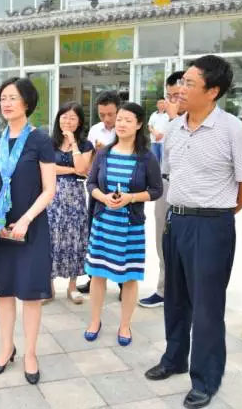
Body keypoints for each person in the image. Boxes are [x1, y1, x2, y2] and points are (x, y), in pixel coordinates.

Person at [144, 56, 242, 409]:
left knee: (207, 307)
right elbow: (172, 173)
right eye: (182, 83)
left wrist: (220, 213)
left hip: (211, 226)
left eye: (190, 83)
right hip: (175, 222)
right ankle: (174, 358)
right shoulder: (174, 129)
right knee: (175, 298)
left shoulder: (233, 130)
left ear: (213, 91)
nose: (180, 89)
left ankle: (206, 379)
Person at [0, 77, 56, 385]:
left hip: (31, 228)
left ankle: (30, 354)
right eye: (2, 98)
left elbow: (49, 189)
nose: (6, 103)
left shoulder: (40, 140)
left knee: (31, 294)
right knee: (6, 291)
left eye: (12, 97)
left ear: (27, 102)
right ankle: (6, 348)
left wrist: (25, 220)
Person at [83, 102, 162, 347]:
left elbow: (156, 190)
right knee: (97, 275)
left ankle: (125, 325)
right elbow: (90, 184)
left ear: (139, 125)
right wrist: (103, 197)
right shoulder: (103, 153)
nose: (122, 124)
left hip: (130, 227)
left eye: (128, 120)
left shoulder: (146, 157)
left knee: (129, 277)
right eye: (119, 119)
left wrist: (131, 198)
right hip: (103, 224)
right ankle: (95, 321)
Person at [139, 70, 186, 308]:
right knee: (162, 240)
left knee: (186, 243)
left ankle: (186, 292)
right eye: (170, 96)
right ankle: (163, 289)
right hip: (165, 185)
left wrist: (175, 119)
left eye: (177, 95)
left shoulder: (189, 123)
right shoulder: (169, 122)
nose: (173, 101)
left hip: (189, 190)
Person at [44, 102, 93, 305]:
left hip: (75, 198)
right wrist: (72, 170)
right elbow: (47, 169)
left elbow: (83, 168)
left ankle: (72, 286)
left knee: (74, 239)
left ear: (79, 122)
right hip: (51, 196)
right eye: (64, 117)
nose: (68, 121)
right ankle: (48, 287)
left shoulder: (85, 145)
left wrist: (73, 143)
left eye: (73, 118)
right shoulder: (49, 143)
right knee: (50, 239)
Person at [78, 91, 123, 298]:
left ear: (118, 111)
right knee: (94, 233)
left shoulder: (126, 128)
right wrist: (96, 153)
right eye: (102, 114)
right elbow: (89, 161)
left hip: (120, 188)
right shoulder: (95, 130)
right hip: (97, 188)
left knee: (119, 235)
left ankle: (123, 283)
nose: (106, 119)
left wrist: (106, 150)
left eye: (110, 114)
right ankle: (93, 278)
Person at [148, 99, 169, 165]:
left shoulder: (169, 114)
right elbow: (150, 126)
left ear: (165, 104)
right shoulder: (153, 114)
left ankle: (163, 172)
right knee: (154, 161)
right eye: (159, 103)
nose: (161, 104)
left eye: (162, 103)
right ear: (157, 105)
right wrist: (155, 134)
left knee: (164, 162)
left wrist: (161, 135)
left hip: (164, 142)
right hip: (154, 141)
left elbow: (171, 127)